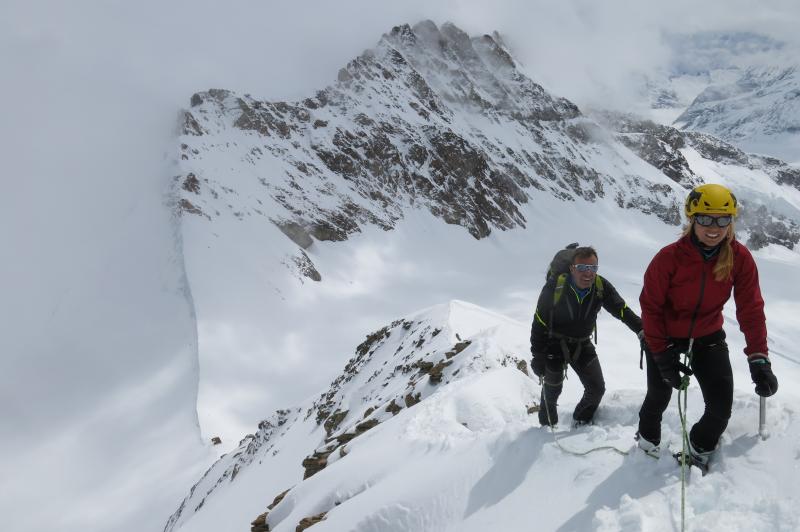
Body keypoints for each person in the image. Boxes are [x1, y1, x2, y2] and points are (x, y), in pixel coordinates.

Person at [637, 183, 778, 467]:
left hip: (708, 335)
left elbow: (750, 309)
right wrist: (662, 356)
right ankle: (646, 441)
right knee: (659, 395)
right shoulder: (669, 258)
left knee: (720, 408)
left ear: (731, 222)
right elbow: (651, 308)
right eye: (705, 219)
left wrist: (759, 357)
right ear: (692, 219)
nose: (713, 228)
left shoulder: (739, 258)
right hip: (664, 335)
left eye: (722, 219)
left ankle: (699, 449)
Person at [530, 246, 643, 427]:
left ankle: (580, 423)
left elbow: (621, 310)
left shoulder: (600, 286)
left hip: (582, 344)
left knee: (596, 389)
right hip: (554, 344)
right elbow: (539, 323)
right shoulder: (555, 287)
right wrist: (538, 356)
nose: (588, 274)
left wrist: (641, 329)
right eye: (582, 268)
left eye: (593, 268)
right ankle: (546, 429)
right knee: (552, 390)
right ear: (572, 269)